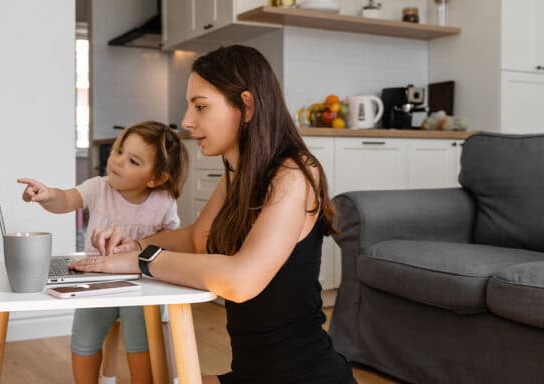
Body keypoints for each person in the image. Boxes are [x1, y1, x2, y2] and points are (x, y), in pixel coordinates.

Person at [70, 45, 357, 384]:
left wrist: (144, 259)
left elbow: (240, 280)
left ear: (246, 105)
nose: (188, 121)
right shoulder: (237, 174)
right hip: (250, 375)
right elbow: (196, 239)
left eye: (201, 106)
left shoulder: (293, 173)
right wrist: (131, 244)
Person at [18, 121, 188, 384]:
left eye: (133, 161)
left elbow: (173, 242)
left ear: (155, 178)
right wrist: (48, 194)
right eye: (119, 151)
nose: (118, 161)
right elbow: (66, 200)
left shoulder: (164, 202)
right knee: (84, 340)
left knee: (141, 346)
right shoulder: (98, 187)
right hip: (95, 281)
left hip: (144, 285)